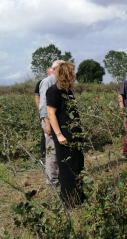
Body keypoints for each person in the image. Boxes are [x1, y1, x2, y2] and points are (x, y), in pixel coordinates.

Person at [47, 62, 85, 207]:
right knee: (67, 169)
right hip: (64, 137)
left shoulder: (67, 91)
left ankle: (78, 197)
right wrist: (59, 134)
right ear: (67, 74)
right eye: (72, 72)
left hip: (74, 135)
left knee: (77, 166)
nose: (74, 76)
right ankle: (70, 202)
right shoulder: (53, 91)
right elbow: (51, 113)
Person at [39, 60, 65, 186]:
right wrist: (48, 124)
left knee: (58, 149)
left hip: (56, 120)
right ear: (54, 69)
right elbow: (44, 105)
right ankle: (52, 180)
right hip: (48, 120)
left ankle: (59, 176)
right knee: (52, 150)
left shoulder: (61, 82)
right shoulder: (48, 82)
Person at [34, 67, 53, 163]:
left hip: (53, 113)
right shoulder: (42, 83)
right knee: (46, 134)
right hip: (45, 113)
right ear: (48, 74)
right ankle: (44, 156)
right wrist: (42, 112)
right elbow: (37, 97)